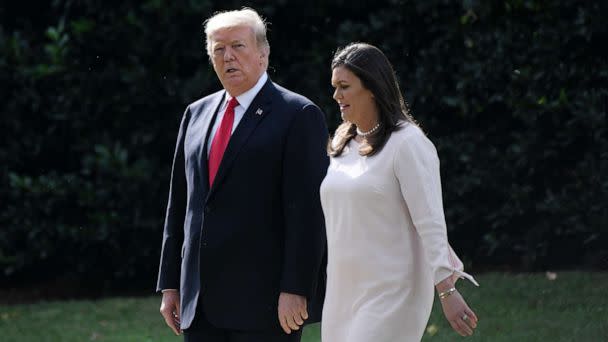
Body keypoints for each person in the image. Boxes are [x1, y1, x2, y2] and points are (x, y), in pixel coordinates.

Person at [156, 8, 328, 342]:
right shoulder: (196, 113)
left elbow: (308, 213)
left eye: (238, 46)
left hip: (266, 303)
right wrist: (171, 283)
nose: (228, 57)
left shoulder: (298, 114)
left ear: (263, 54)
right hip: (200, 302)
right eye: (218, 49)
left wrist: (296, 288)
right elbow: (180, 204)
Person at [320, 42, 479, 342]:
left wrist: (447, 290)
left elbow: (430, 222)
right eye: (334, 86)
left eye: (344, 86)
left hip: (394, 292)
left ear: (372, 88)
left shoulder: (408, 143)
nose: (336, 96)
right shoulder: (342, 142)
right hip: (343, 291)